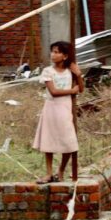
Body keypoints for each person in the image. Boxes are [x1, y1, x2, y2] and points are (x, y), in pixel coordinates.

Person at [32, 41, 84, 183]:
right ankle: (49, 173)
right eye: (52, 52)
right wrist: (71, 91)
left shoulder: (70, 72)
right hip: (51, 108)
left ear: (65, 56)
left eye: (57, 52)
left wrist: (78, 75)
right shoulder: (48, 71)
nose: (53, 55)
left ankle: (61, 170)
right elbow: (53, 91)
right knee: (48, 140)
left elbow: (81, 89)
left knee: (68, 141)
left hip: (65, 108)